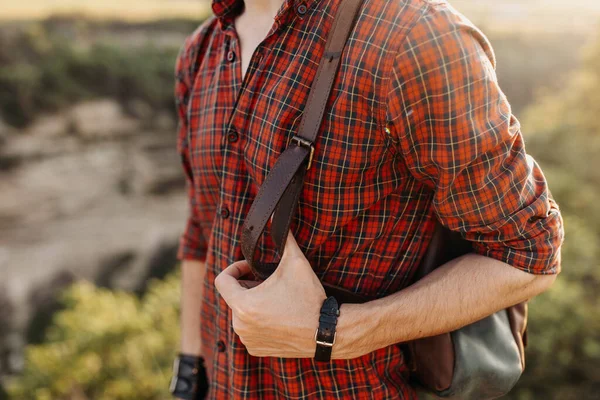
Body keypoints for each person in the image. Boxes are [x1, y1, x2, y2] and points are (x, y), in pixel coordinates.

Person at [169, 0, 565, 398]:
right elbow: (202, 229)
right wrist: (189, 376)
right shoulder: (201, 49)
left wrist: (336, 334)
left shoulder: (415, 35)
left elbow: (530, 254)